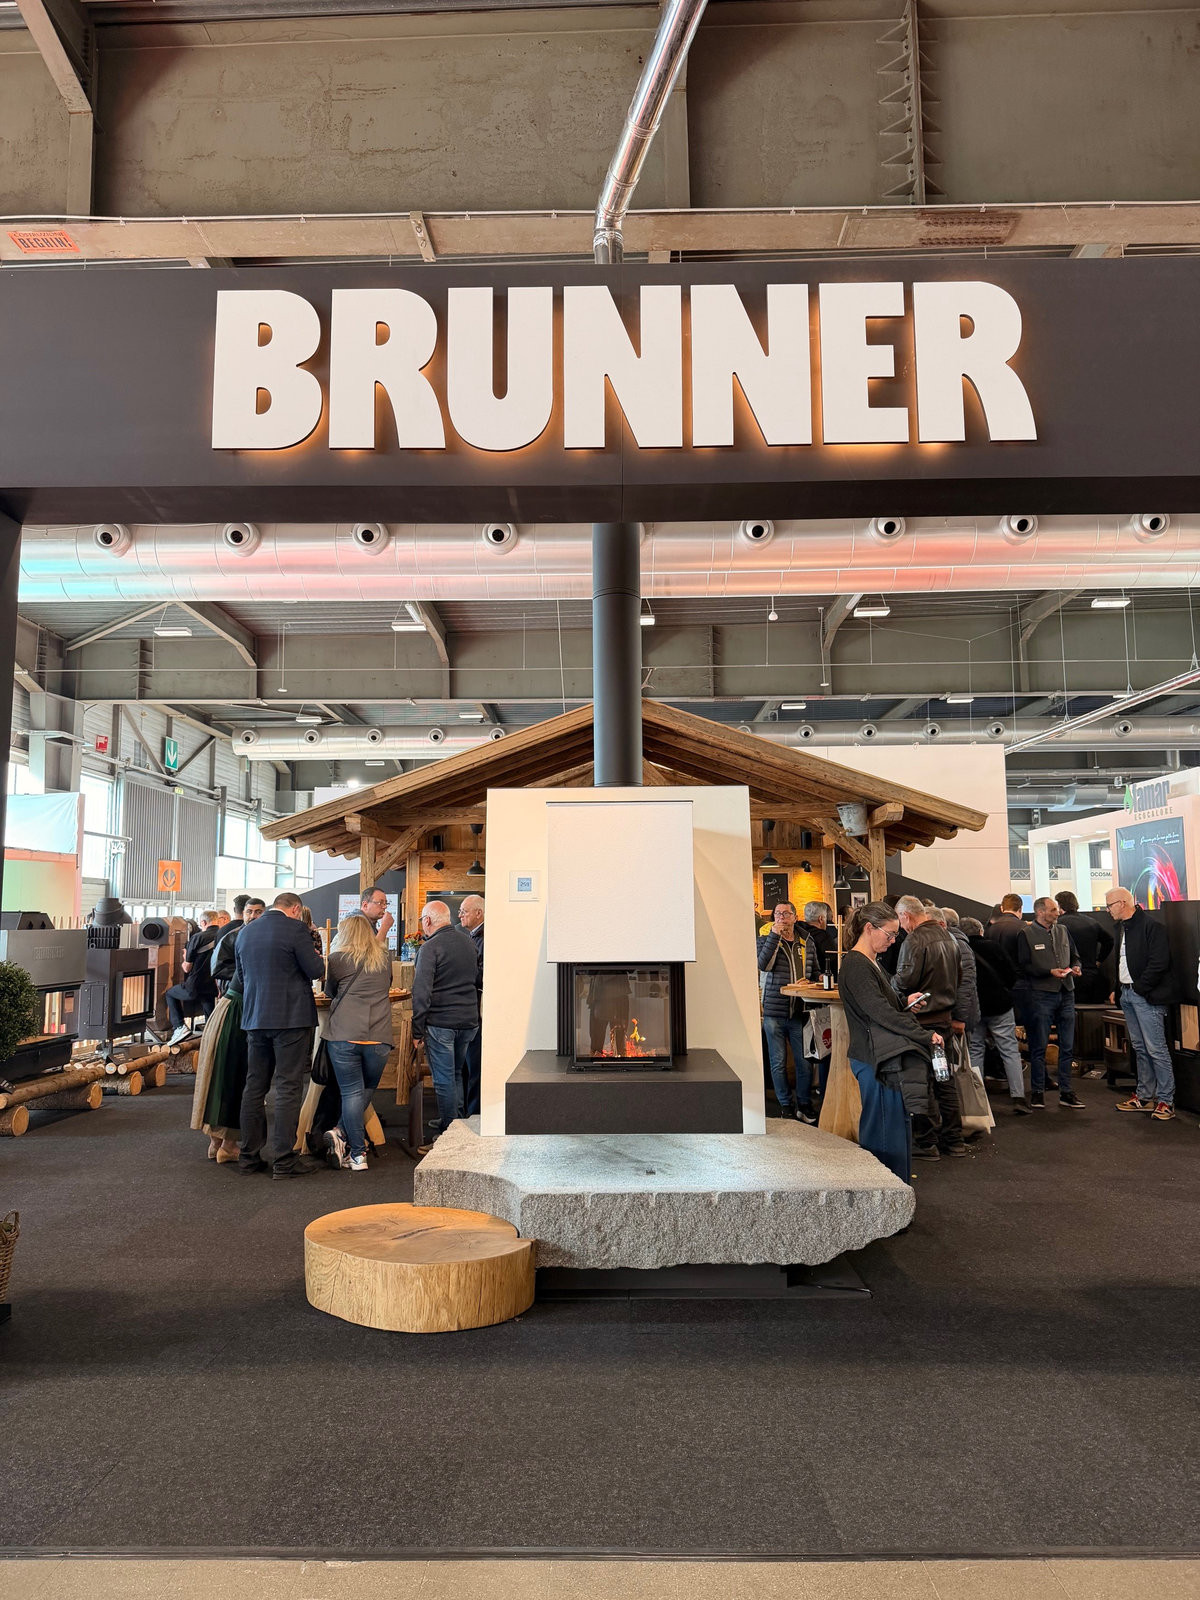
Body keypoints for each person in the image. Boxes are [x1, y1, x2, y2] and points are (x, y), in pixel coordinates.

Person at [838, 901, 939, 1185]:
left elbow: (882, 1005)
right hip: (875, 1059)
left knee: (892, 1129)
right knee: (884, 1134)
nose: (893, 941)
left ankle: (895, 1196)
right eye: (890, 934)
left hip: (880, 1057)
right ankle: (886, 1198)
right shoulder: (857, 965)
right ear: (869, 928)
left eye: (896, 935)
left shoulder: (870, 963)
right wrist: (923, 1034)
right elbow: (879, 1012)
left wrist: (904, 1002)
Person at [233, 890, 327, 1179]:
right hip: (291, 1018)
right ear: (296, 909)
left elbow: (241, 977)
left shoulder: (245, 932)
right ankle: (284, 1161)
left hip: (255, 1017)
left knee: (254, 1087)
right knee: (287, 1087)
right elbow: (315, 970)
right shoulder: (296, 929)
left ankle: (248, 1157)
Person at [892, 895, 966, 1158]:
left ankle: (926, 1143)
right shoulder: (950, 938)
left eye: (899, 919)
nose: (899, 926)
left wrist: (889, 984)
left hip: (922, 1023)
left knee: (921, 1082)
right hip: (944, 1021)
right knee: (944, 1079)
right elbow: (959, 978)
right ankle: (954, 1140)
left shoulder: (914, 940)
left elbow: (904, 980)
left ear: (906, 915)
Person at [323, 911, 396, 1171]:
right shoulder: (384, 959)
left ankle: (356, 1153)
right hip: (379, 1036)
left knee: (351, 1092)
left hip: (344, 1034)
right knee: (365, 1089)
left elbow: (330, 992)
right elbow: (387, 986)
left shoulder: (336, 959)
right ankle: (342, 1136)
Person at [1105, 886, 1177, 1119]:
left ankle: (1166, 1100)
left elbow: (1159, 962)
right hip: (1127, 994)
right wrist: (1118, 988)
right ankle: (1145, 1096)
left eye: (1109, 905)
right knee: (1140, 1048)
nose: (1108, 910)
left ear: (1122, 903)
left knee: (1156, 1049)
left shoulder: (1151, 926)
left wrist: (1139, 988)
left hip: (1146, 996)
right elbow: (1121, 962)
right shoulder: (1120, 928)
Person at [411, 900, 480, 1137]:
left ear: (427, 920)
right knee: (456, 1073)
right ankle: (456, 1124)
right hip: (468, 1021)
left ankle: (450, 1133)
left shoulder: (429, 948)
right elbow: (476, 979)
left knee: (443, 1079)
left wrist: (417, 1031)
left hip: (441, 1023)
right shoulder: (468, 942)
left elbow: (421, 993)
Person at [1017, 896, 1085, 1110]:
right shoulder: (1026, 934)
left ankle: (1066, 1091)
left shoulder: (1063, 930)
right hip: (1041, 995)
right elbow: (1024, 966)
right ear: (1040, 912)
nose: (1057, 913)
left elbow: (1075, 956)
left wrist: (1076, 967)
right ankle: (1038, 1092)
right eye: (1053, 910)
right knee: (1039, 1046)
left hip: (1067, 992)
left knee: (1067, 1046)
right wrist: (1048, 972)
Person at [757, 900, 818, 1122]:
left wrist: (814, 981)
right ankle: (785, 1106)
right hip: (774, 1010)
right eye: (777, 913)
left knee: (805, 1062)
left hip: (799, 1011)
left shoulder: (806, 940)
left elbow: (815, 971)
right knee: (778, 1063)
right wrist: (774, 936)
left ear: (795, 917)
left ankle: (804, 1104)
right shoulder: (765, 938)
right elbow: (764, 965)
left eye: (785, 913)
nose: (781, 917)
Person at [962, 916, 1029, 1113]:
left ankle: (979, 1100)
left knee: (975, 1050)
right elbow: (1011, 974)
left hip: (974, 1008)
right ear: (980, 931)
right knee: (1009, 1050)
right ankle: (1018, 1097)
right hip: (1000, 1006)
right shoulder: (994, 947)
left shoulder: (960, 950)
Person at [165, 909, 221, 1045]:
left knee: (170, 994)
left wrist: (185, 956)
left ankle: (179, 1027)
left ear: (203, 922)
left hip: (194, 985)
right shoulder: (222, 935)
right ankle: (212, 1039)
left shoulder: (198, 937)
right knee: (209, 1015)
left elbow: (187, 967)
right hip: (212, 985)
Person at [1054, 890, 1114, 1005]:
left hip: (1066, 978)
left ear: (1060, 906)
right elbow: (1109, 941)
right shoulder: (1092, 922)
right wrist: (1099, 960)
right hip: (1090, 976)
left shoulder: (1057, 925)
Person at [458, 893, 485, 1116]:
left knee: (474, 1066)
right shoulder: (470, 937)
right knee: (466, 1067)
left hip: (477, 1011)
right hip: (469, 1011)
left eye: (464, 911)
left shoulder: (485, 938)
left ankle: (473, 1115)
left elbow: (483, 974)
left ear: (479, 913)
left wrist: (461, 975)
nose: (460, 915)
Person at [210, 895, 265, 988]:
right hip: (237, 989)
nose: (253, 916)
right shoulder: (231, 937)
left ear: (265, 914)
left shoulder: (271, 936)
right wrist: (249, 973)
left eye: (258, 912)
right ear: (243, 913)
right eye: (249, 912)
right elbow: (218, 968)